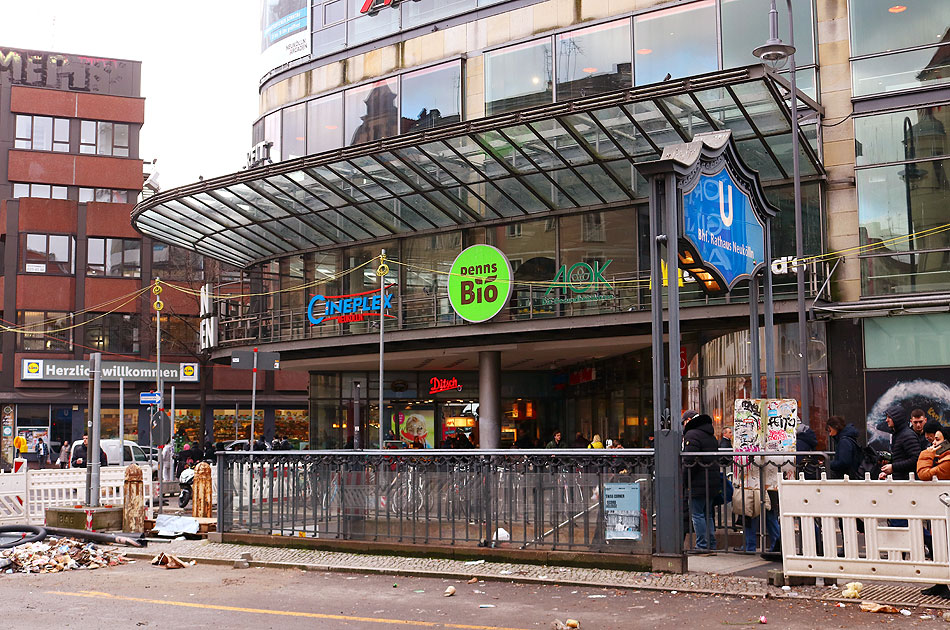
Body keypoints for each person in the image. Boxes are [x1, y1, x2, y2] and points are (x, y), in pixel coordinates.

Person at [916, 429, 950, 599]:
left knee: (945, 546)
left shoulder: (947, 461)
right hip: (940, 510)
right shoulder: (942, 458)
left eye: (938, 440)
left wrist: (925, 454)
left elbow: (924, 474)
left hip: (944, 510)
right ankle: (940, 583)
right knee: (940, 545)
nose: (934, 443)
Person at [682, 411, 719, 553]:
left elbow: (690, 462)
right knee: (708, 514)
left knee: (697, 514)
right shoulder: (709, 434)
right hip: (711, 480)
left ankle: (702, 545)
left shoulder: (692, 435)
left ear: (689, 420)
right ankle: (711, 544)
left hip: (698, 481)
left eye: (684, 422)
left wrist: (685, 480)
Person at [880, 405, 922, 481]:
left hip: (908, 482)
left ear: (896, 418)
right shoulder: (898, 434)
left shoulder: (907, 436)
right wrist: (888, 470)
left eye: (889, 417)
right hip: (903, 480)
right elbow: (900, 458)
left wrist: (893, 467)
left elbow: (916, 459)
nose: (887, 420)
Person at [827, 415, 861, 480]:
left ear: (835, 427)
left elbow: (844, 462)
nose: (830, 434)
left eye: (830, 430)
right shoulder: (848, 439)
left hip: (847, 478)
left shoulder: (844, 441)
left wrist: (829, 464)